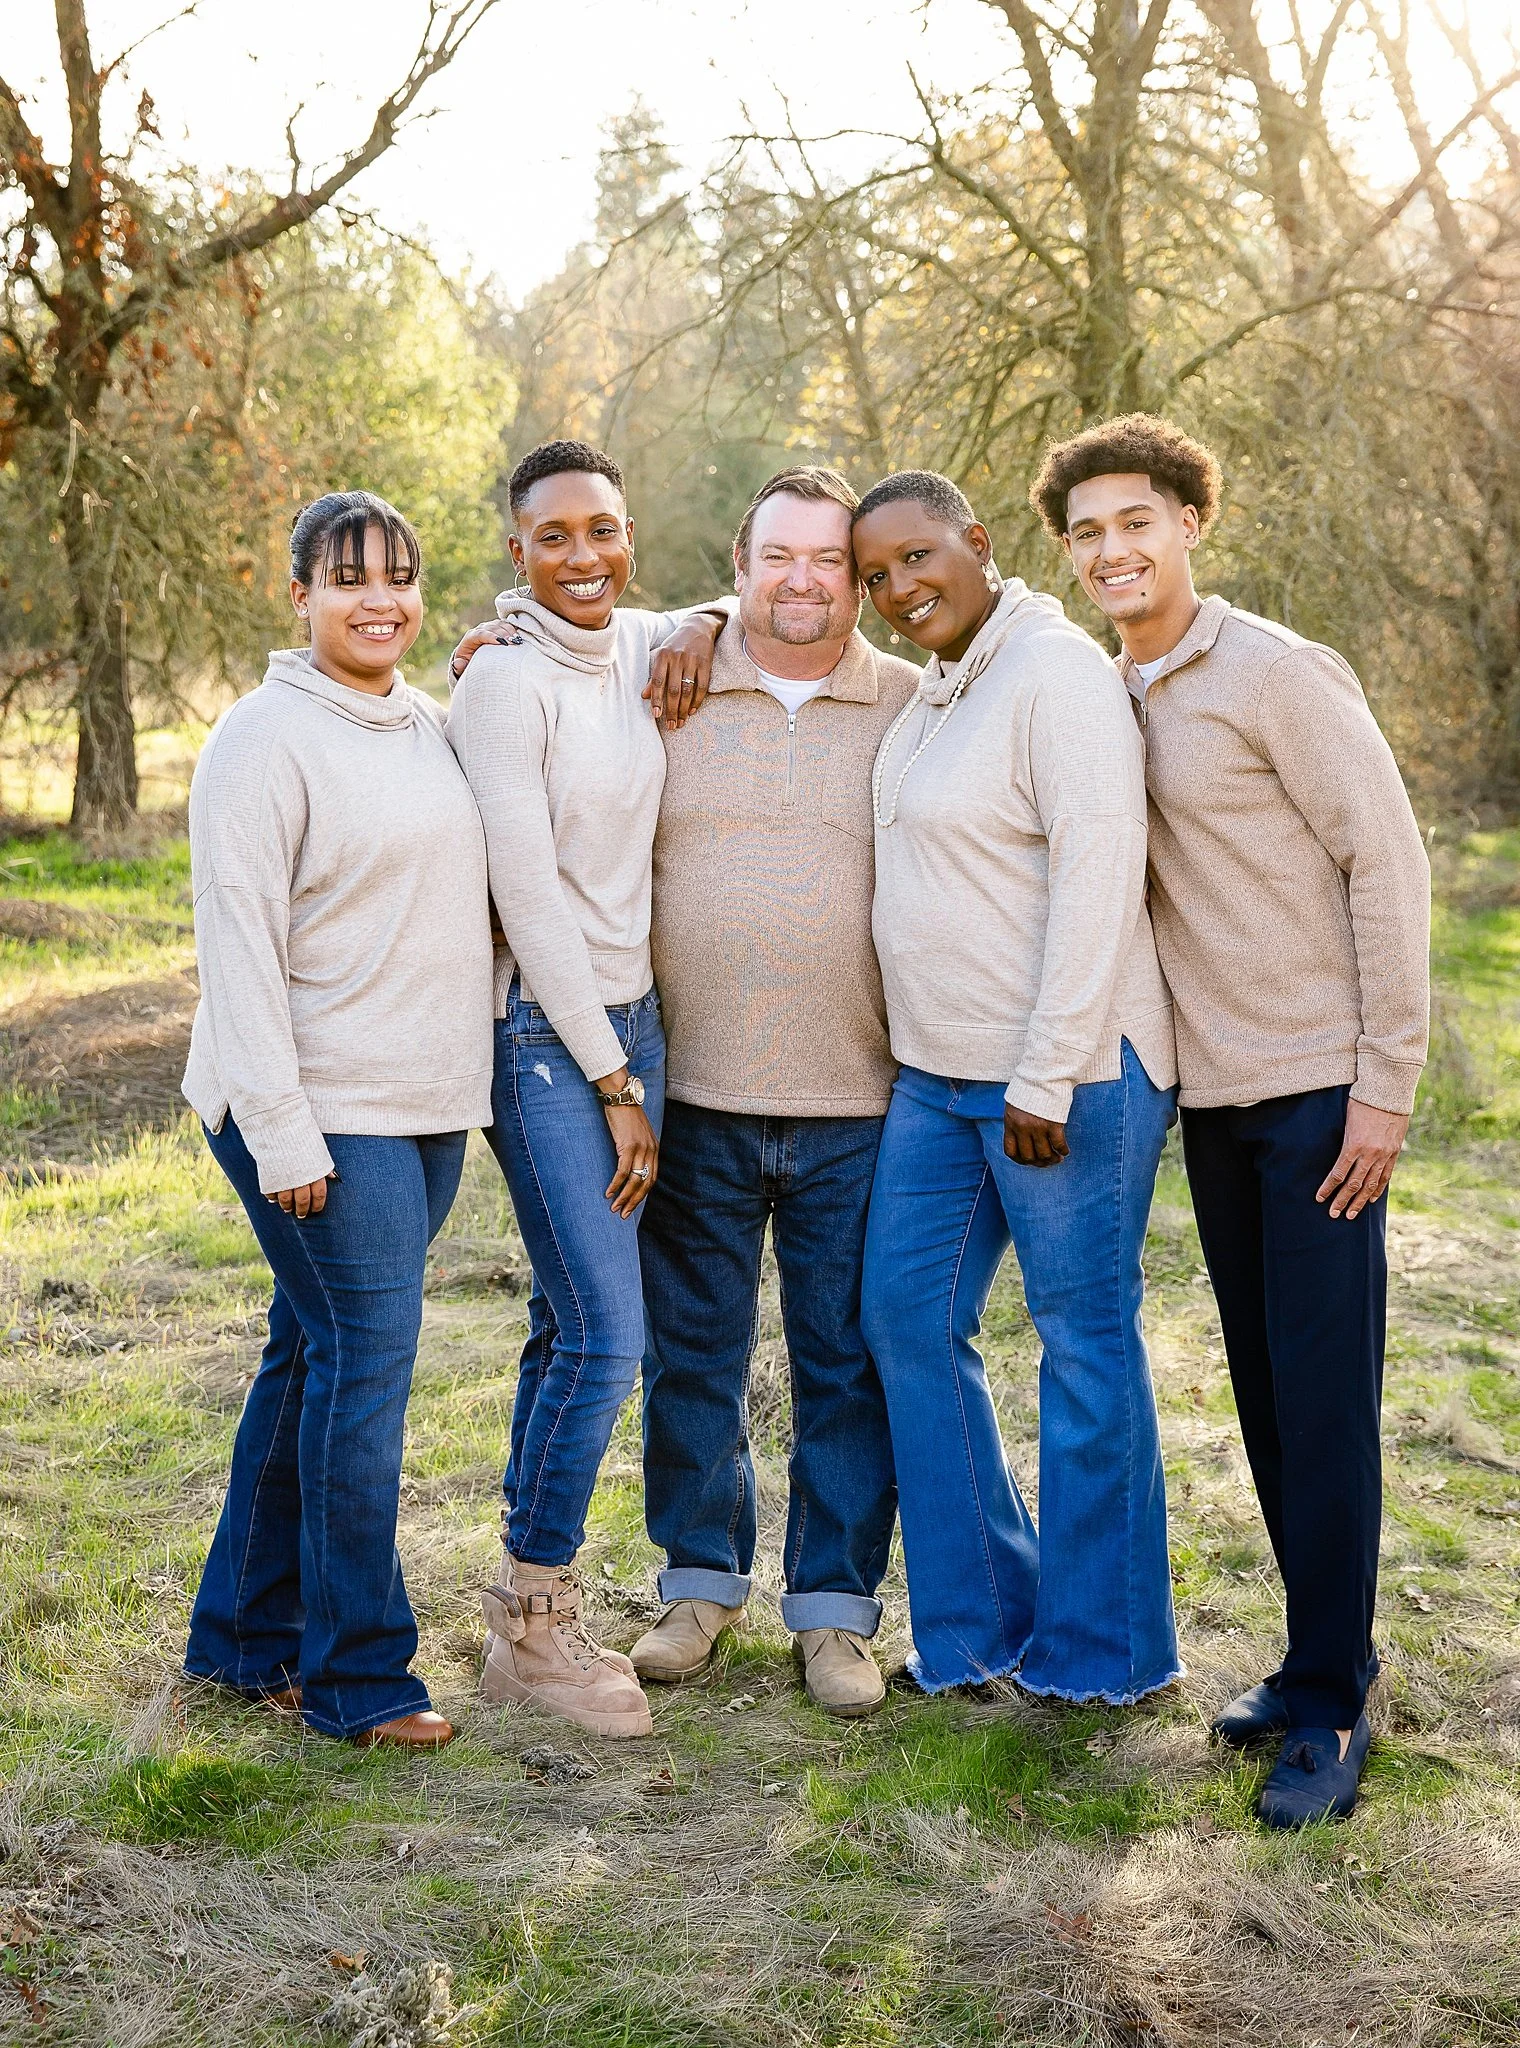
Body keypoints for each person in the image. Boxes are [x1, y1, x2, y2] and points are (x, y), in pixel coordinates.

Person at [1031, 413, 1430, 1826]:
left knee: (1325, 1406)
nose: (1111, 550)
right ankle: (1322, 1657)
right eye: (1084, 533)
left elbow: (1384, 867)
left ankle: (1333, 1708)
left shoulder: (1275, 672)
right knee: (1267, 1399)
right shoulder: (1097, 693)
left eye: (1134, 520)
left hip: (1323, 1095)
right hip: (1214, 1100)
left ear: (1190, 520)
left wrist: (1386, 1083)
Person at [853, 471, 1181, 1708]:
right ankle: (980, 1624)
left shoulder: (1053, 675)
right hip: (936, 1081)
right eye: (874, 575)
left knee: (1083, 1342)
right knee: (905, 1319)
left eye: (916, 558)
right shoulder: (941, 690)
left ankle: (1103, 1653)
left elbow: (1101, 874)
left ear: (977, 544)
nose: (897, 590)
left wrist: (1043, 1072)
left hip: (1066, 1077)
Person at [182, 491, 493, 1750]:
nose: (381, 599)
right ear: (297, 591)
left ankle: (242, 1640)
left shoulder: (429, 722)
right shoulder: (259, 740)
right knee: (364, 1366)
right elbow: (238, 951)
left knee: (310, 1355)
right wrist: (284, 1129)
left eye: (402, 576)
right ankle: (361, 1678)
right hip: (310, 1112)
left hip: (420, 1110)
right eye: (350, 576)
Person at [628, 468, 921, 1719]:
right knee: (691, 1351)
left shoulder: (912, 701)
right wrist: (685, 627)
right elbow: (539, 621)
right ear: (735, 563)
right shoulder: (662, 682)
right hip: (688, 1090)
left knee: (842, 1361)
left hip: (860, 1096)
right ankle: (696, 1584)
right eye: (775, 558)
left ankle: (834, 1611)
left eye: (827, 561)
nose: (801, 581)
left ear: (858, 577)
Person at [445, 439, 725, 1738]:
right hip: (550, 1040)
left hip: (636, 1026)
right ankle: (533, 1628)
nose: (581, 558)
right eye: (551, 538)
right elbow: (526, 893)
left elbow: (739, 604)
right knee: (607, 1331)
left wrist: (716, 617)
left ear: (631, 531)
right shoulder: (504, 683)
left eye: (602, 531)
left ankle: (528, 1598)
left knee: (575, 1324)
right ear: (516, 553)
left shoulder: (642, 641)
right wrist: (611, 1076)